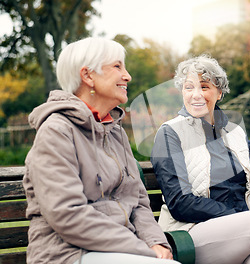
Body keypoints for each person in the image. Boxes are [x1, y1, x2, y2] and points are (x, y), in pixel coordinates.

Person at [22, 37, 178, 264]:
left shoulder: (115, 132)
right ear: (87, 76)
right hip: (67, 254)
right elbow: (68, 215)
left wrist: (156, 242)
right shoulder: (56, 131)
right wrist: (142, 251)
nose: (127, 76)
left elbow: (138, 201)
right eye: (117, 66)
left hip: (121, 251)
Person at [151, 55, 250, 264]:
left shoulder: (236, 133)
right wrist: (238, 216)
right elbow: (179, 202)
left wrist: (249, 215)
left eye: (204, 87)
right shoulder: (170, 133)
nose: (196, 95)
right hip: (188, 234)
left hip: (242, 232)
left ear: (219, 92)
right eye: (188, 87)